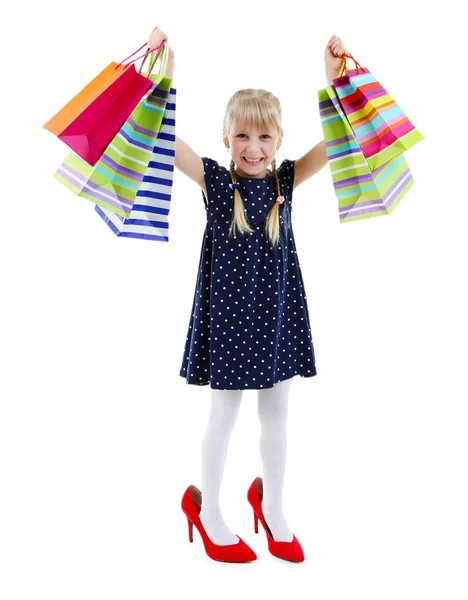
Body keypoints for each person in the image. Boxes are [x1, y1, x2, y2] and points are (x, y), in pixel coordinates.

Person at [147, 27, 348, 563]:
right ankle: (208, 510)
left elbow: (339, 137)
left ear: (279, 141)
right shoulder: (215, 182)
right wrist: (164, 75)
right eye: (241, 137)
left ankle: (273, 506)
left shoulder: (286, 180)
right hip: (232, 322)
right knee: (223, 415)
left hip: (278, 315)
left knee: (278, 414)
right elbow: (160, 136)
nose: (253, 149)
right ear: (225, 139)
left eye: (264, 138)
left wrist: (333, 83)